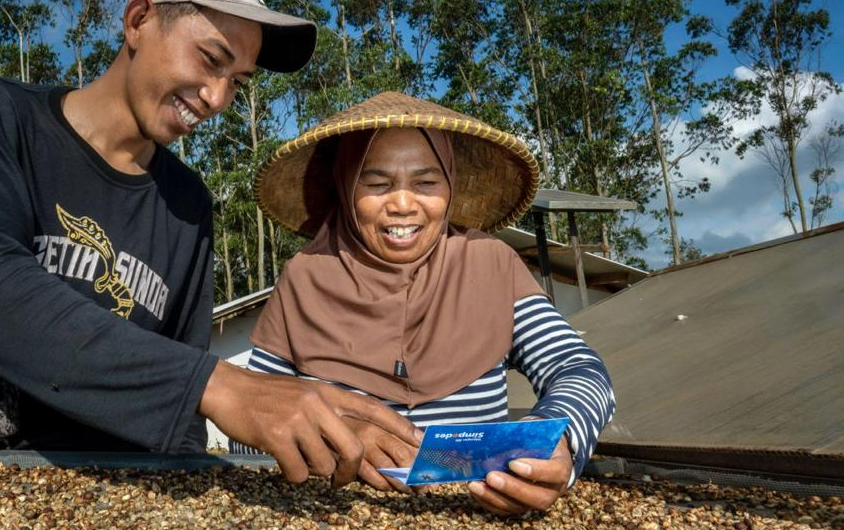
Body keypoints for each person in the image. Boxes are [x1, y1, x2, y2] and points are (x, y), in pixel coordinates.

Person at [0, 0, 421, 487]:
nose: (216, 99)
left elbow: (179, 394)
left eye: (237, 81)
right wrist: (220, 386)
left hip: (102, 495)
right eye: (211, 59)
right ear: (138, 20)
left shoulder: (188, 206)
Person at [232, 92, 616, 515]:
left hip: (476, 512)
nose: (402, 203)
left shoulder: (491, 264)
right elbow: (250, 421)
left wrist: (557, 439)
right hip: (330, 513)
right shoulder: (304, 277)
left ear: (449, 187)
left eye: (426, 182)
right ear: (345, 186)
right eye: (376, 183)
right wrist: (327, 435)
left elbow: (578, 368)